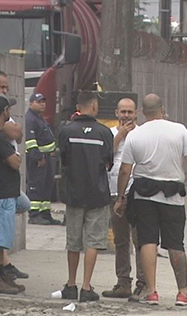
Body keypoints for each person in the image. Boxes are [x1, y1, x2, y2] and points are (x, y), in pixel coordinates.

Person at [114, 94, 187, 307]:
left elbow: (124, 170)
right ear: (163, 109)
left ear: (142, 112)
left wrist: (121, 197)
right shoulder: (179, 130)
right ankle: (182, 293)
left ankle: (152, 291)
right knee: (175, 243)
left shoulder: (136, 135)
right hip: (172, 195)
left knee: (147, 241)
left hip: (144, 196)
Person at [58, 91, 113, 302]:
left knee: (73, 241)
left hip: (73, 193)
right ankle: (86, 287)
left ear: (78, 107)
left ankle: (70, 285)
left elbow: (63, 159)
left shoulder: (66, 131)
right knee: (92, 241)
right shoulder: (104, 132)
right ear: (95, 106)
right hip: (97, 194)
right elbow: (108, 163)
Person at [0, 70, 30, 279]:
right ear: (4, 111)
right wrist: (12, 158)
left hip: (5, 193)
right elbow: (14, 161)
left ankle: (1, 274)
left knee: (1, 236)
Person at [102, 98, 146, 301]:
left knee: (140, 240)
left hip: (136, 193)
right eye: (123, 112)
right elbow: (103, 156)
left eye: (130, 112)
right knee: (121, 240)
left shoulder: (143, 134)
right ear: (116, 113)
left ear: (136, 113)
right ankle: (123, 282)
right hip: (114, 192)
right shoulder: (109, 133)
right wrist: (120, 136)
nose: (126, 116)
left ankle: (143, 283)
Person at [25, 93, 60, 225]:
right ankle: (34, 215)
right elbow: (30, 142)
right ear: (31, 103)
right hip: (38, 160)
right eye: (38, 102)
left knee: (46, 187)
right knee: (36, 186)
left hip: (47, 158)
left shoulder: (39, 118)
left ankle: (45, 214)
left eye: (43, 102)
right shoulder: (30, 119)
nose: (42, 104)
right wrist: (38, 157)